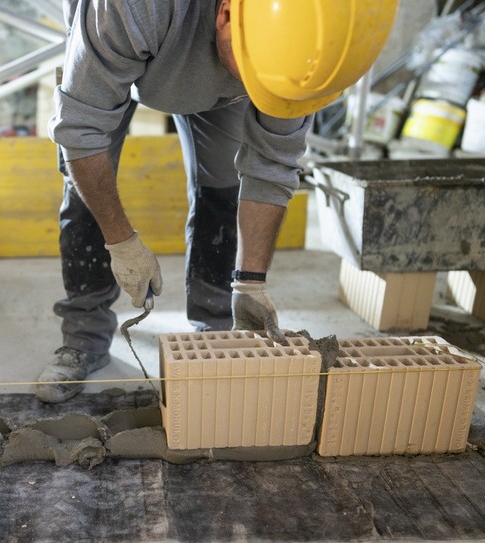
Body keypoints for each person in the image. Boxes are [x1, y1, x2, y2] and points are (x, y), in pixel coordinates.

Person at [35, 0, 398, 403]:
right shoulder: (129, 8)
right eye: (258, 78)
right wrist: (121, 243)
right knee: (86, 187)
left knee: (222, 187)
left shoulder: (314, 42)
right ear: (228, 17)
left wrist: (251, 284)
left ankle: (215, 329)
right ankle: (84, 337)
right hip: (123, 45)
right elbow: (80, 132)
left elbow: (272, 164)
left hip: (220, 56)